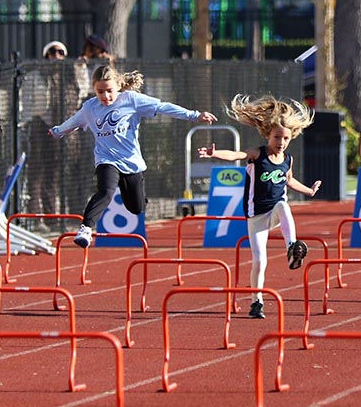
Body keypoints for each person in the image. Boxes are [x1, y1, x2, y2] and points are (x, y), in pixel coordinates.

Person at [50, 65, 218, 247]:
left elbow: (163, 107)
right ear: (94, 90)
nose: (105, 96)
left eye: (109, 91)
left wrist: (194, 115)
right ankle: (86, 229)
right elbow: (73, 122)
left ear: (118, 86)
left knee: (137, 208)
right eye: (100, 92)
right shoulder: (90, 108)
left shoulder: (131, 100)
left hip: (131, 162)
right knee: (105, 191)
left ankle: (126, 186)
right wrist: (57, 131)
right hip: (106, 159)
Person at [197, 95, 322, 319]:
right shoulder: (258, 154)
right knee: (259, 261)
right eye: (276, 137)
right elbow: (237, 155)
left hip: (274, 211)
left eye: (285, 138)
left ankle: (292, 247)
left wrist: (309, 191)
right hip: (256, 216)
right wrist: (214, 153)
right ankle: (257, 302)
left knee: (284, 205)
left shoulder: (287, 159)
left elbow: (289, 181)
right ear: (267, 135)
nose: (281, 142)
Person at [25, 40, 80, 232]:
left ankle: (54, 217)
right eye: (52, 52)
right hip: (40, 126)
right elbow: (27, 103)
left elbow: (82, 92)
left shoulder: (71, 76)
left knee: (54, 175)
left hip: (63, 128)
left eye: (60, 52)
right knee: (36, 174)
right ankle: (35, 217)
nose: (56, 56)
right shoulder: (35, 77)